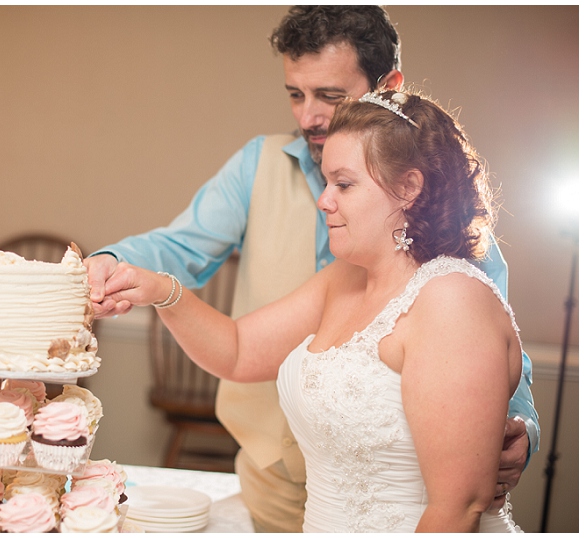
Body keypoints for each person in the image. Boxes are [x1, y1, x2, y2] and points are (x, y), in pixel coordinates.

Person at [84, 6, 538, 532]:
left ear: (386, 86)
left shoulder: (453, 279)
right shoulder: (287, 203)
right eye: (296, 95)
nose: (307, 117)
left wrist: (522, 429)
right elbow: (228, 332)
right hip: (281, 490)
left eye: (330, 96)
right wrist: (146, 282)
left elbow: (499, 359)